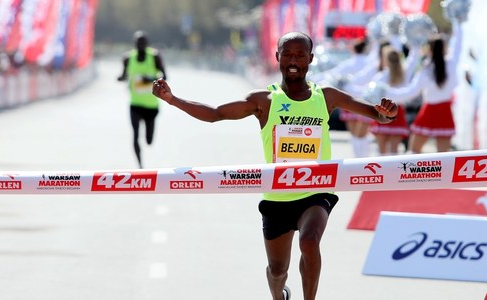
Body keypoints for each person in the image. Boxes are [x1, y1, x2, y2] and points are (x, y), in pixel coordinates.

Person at [152, 31, 397, 300]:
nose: (293, 60)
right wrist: (172, 100)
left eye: (300, 55)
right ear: (277, 56)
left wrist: (386, 113)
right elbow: (215, 114)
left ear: (310, 59)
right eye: (288, 54)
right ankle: (279, 295)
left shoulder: (326, 96)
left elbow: (377, 115)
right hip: (277, 195)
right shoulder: (263, 101)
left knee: (309, 241)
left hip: (317, 190)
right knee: (278, 270)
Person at [386, 21, 463, 153]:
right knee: (444, 157)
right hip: (445, 112)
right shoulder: (450, 63)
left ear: (430, 50)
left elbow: (410, 91)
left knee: (413, 152)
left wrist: (387, 93)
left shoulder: (426, 69)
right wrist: (459, 23)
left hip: (429, 111)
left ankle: (416, 174)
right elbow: (457, 46)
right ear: (444, 48)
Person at [309, 38, 373, 158]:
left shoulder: (349, 63)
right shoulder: (369, 63)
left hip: (350, 101)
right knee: (363, 133)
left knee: (354, 133)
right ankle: (363, 157)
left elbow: (332, 74)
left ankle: (358, 157)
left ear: (354, 49)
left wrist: (313, 78)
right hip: (366, 101)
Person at [117, 30, 167, 168]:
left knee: (149, 140)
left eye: (143, 42)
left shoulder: (155, 56)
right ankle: (140, 167)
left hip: (151, 104)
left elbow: (165, 76)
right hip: (135, 103)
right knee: (135, 134)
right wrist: (120, 78)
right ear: (134, 43)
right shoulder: (127, 58)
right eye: (138, 42)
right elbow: (123, 75)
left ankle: (149, 138)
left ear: (147, 43)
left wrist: (150, 78)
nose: (140, 45)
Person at [368, 45, 420, 155]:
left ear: (385, 59)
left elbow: (370, 92)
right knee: (394, 151)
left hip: (382, 111)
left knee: (381, 151)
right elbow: (413, 59)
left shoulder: (381, 76)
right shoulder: (405, 72)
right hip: (398, 111)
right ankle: (393, 172)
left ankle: (382, 171)